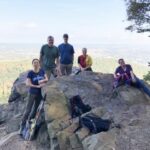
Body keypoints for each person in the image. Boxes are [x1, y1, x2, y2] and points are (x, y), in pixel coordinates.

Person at [20, 59, 48, 134]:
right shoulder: (31, 73)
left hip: (40, 94)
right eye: (34, 63)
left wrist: (42, 82)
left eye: (37, 62)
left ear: (39, 64)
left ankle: (29, 123)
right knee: (28, 110)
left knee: (35, 109)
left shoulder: (42, 71)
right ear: (32, 64)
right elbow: (27, 83)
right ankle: (22, 126)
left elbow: (46, 79)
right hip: (32, 93)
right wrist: (36, 86)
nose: (36, 64)